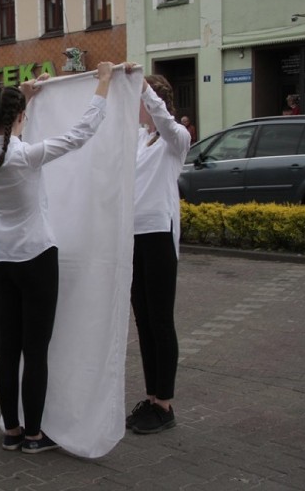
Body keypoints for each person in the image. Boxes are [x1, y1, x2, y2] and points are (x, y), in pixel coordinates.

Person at [0, 62, 116, 453]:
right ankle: (35, 434)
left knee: (9, 349)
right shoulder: (25, 156)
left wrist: (24, 98)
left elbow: (1, 132)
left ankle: (12, 431)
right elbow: (80, 134)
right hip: (36, 256)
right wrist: (102, 83)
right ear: (20, 117)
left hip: (2, 258)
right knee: (36, 350)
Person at [124, 72, 191, 435]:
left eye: (140, 101)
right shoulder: (138, 138)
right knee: (144, 320)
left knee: (161, 320)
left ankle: (165, 403)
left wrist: (143, 87)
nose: (136, 108)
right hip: (133, 236)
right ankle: (151, 398)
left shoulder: (176, 138)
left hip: (159, 235)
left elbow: (164, 121)